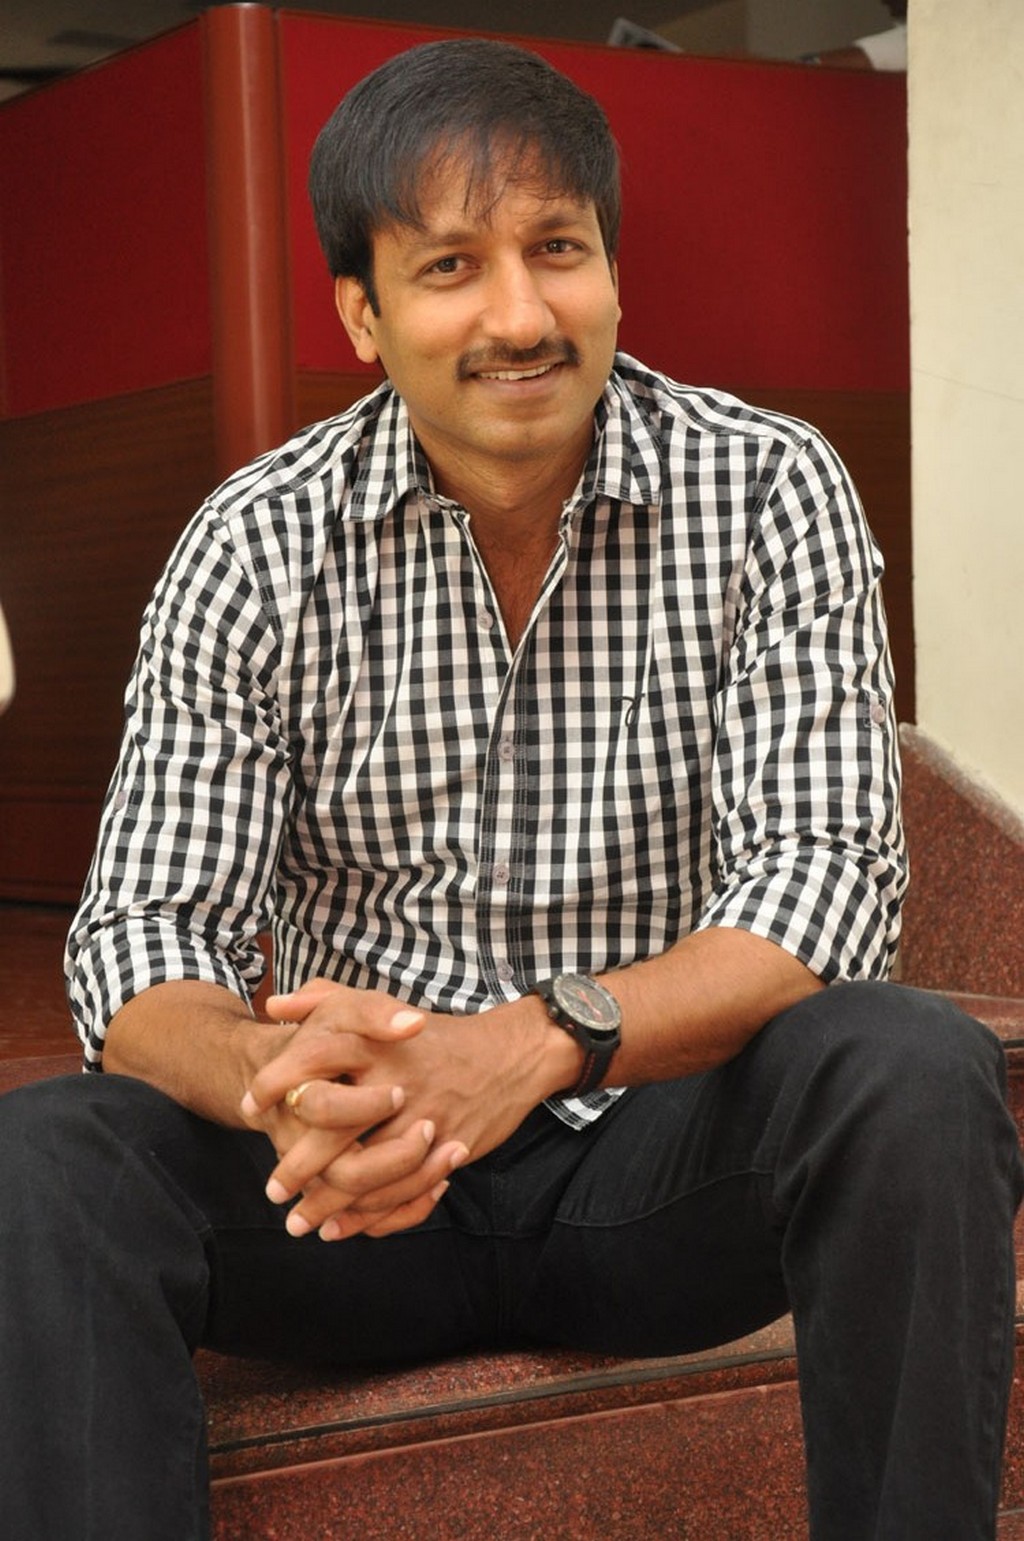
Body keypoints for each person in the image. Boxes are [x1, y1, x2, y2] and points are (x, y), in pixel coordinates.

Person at [0, 37, 1019, 1541]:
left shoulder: (768, 488)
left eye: (557, 249)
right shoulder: (256, 544)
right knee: (44, 1159)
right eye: (449, 267)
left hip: (657, 1161)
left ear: (613, 274)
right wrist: (282, 1078)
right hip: (356, 1193)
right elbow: (142, 937)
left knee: (913, 1066)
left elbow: (825, 883)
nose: (521, 316)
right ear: (362, 313)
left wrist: (536, 1041)